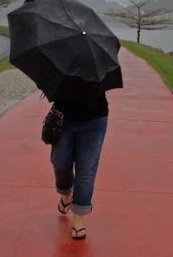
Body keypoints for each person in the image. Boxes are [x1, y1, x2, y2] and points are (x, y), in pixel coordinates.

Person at [50, 92, 109, 240]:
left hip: (95, 118)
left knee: (86, 170)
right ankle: (66, 192)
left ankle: (78, 217)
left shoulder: (97, 68)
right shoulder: (62, 68)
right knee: (59, 162)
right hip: (63, 116)